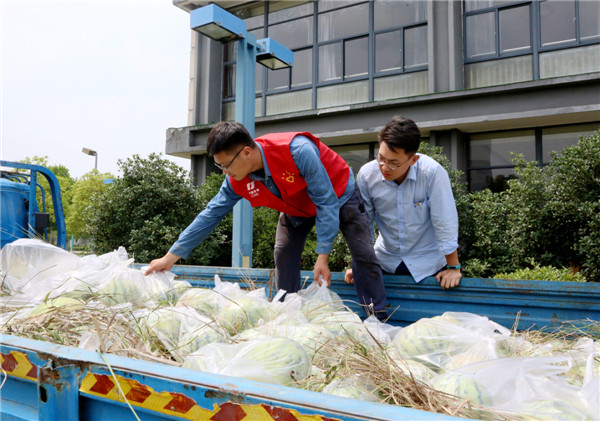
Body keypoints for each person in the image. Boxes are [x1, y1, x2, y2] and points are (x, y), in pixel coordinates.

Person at [145, 121, 388, 320]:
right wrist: (170, 257)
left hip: (338, 194)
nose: (225, 172)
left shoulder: (297, 151)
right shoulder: (235, 180)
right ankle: (287, 312)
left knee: (363, 253)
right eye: (219, 166)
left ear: (246, 152)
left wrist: (322, 256)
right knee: (283, 251)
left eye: (226, 165)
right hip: (296, 205)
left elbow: (325, 201)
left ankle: (376, 318)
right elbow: (210, 214)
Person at [345, 115, 462, 290]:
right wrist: (361, 264)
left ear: (413, 160)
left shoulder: (432, 173)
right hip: (386, 260)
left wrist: (453, 267)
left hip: (428, 264)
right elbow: (363, 223)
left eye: (394, 163)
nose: (384, 167)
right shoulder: (367, 175)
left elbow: (445, 221)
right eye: (381, 158)